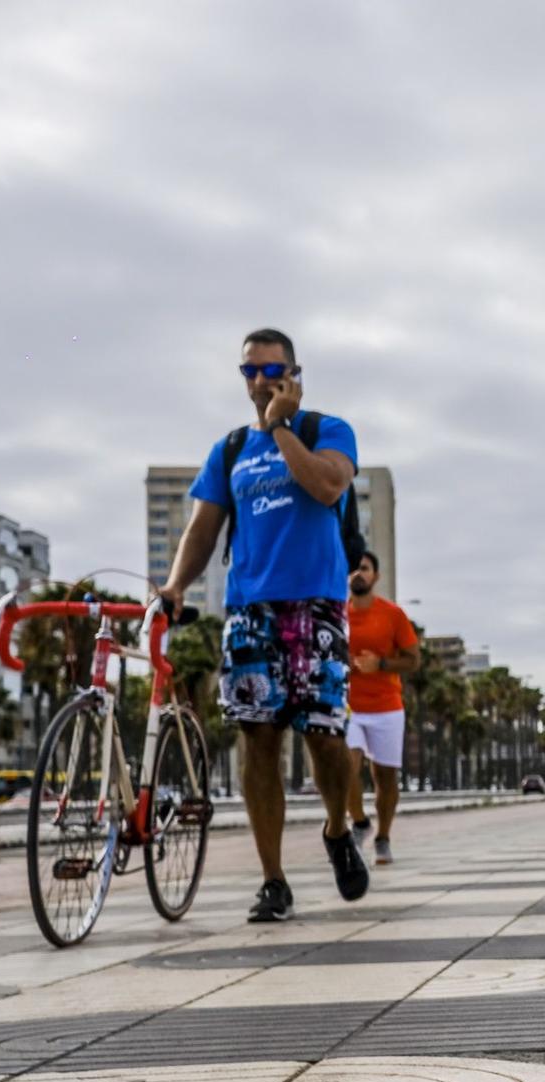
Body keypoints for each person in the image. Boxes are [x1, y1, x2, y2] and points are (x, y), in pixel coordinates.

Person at [158, 327, 370, 922]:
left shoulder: (325, 430)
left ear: (295, 373)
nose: (259, 381)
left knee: (325, 737)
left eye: (271, 370)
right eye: (249, 371)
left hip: (317, 603)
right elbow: (203, 529)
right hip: (251, 608)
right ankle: (273, 879)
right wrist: (176, 584)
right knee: (258, 739)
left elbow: (328, 486)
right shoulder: (228, 450)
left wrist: (280, 426)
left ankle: (335, 830)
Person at [344, 551, 419, 864]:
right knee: (346, 766)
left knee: (385, 777)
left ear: (375, 576)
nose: (356, 574)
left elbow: (414, 660)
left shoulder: (393, 614)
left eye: (363, 569)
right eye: (351, 569)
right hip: (348, 707)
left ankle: (383, 836)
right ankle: (360, 822)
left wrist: (382, 664)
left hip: (387, 706)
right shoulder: (337, 615)